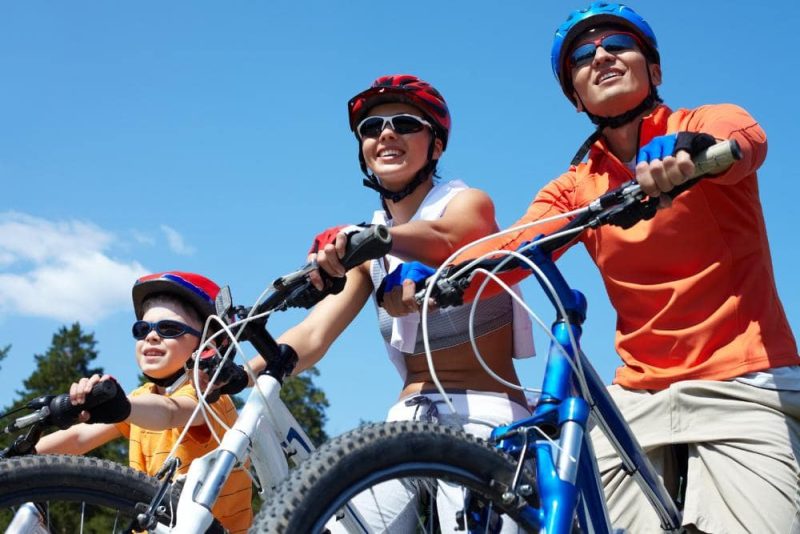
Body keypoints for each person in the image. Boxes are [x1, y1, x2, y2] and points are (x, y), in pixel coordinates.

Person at [381, 3, 800, 533]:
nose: (601, 54)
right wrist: (435, 279)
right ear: (576, 99)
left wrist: (694, 153)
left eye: (618, 45)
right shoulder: (576, 187)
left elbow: (746, 140)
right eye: (582, 55)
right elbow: (511, 247)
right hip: (637, 392)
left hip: (745, 379)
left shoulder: (701, 122)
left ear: (655, 71)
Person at [244, 74, 534, 531]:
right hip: (403, 425)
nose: (386, 134)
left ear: (435, 146)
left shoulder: (467, 202)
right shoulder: (370, 245)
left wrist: (375, 241)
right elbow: (314, 335)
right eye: (371, 128)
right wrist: (242, 371)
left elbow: (451, 237)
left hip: (487, 418)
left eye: (404, 123)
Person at [37, 271, 253, 534]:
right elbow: (78, 439)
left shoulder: (210, 397)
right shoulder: (142, 398)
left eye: (169, 329)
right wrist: (21, 457)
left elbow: (171, 413)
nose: (151, 336)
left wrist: (122, 407)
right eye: (143, 329)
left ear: (209, 344)